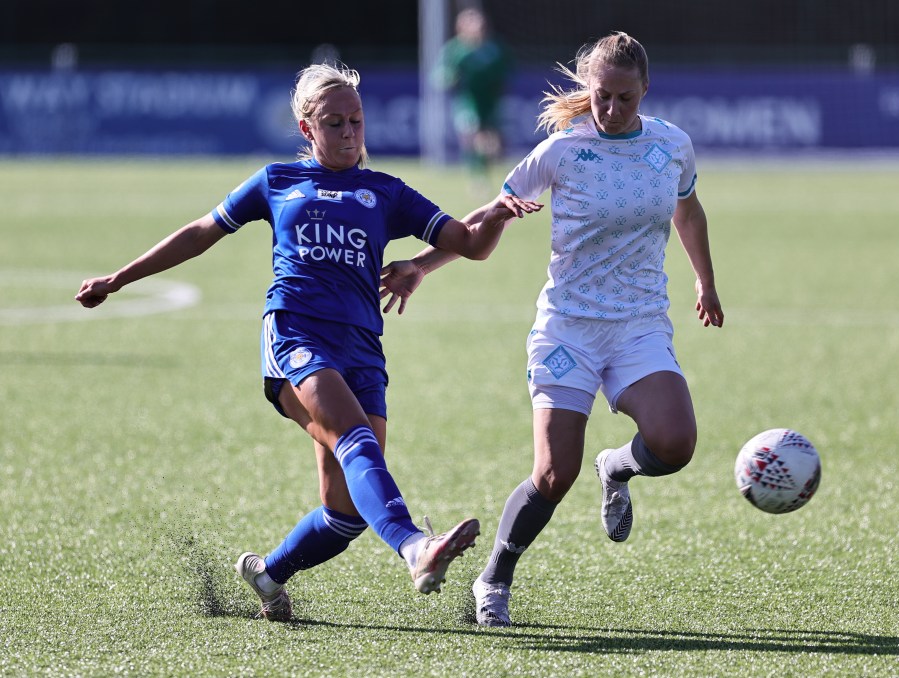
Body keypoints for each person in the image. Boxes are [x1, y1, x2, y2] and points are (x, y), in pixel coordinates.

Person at [74, 62, 541, 622]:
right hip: (295, 332)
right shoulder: (277, 182)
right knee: (357, 441)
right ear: (306, 127)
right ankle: (417, 547)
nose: (349, 133)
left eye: (357, 121)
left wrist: (499, 214)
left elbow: (469, 243)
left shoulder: (385, 191)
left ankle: (268, 575)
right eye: (334, 123)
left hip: (363, 348)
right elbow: (200, 233)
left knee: (343, 513)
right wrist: (119, 278)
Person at [380, 32, 724, 627]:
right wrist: (420, 266)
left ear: (645, 89)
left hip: (639, 325)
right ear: (588, 91)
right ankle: (496, 576)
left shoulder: (672, 146)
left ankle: (617, 467)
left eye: (624, 98)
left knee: (676, 444)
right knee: (553, 474)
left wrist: (705, 281)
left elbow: (687, 209)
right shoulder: (563, 151)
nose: (611, 109)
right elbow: (485, 218)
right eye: (601, 96)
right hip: (568, 329)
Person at [433, 7, 512, 191]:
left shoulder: (495, 48)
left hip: (490, 102)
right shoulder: (455, 50)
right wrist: (447, 77)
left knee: (493, 145)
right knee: (474, 135)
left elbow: (507, 69)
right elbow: (440, 75)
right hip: (467, 101)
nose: (479, 29)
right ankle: (478, 179)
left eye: (481, 25)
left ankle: (486, 169)